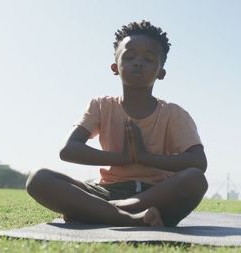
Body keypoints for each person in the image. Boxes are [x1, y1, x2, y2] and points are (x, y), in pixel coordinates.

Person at [26, 20, 208, 227]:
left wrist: (146, 157)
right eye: (129, 57)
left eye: (148, 59)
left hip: (157, 194)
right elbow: (68, 150)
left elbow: (198, 162)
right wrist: (122, 158)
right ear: (115, 67)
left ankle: (102, 212)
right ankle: (129, 218)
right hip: (107, 191)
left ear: (161, 72)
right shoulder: (101, 106)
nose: (138, 63)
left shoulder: (174, 114)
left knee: (194, 179)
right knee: (38, 178)